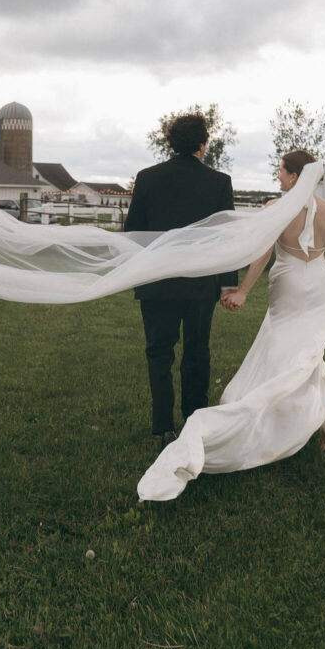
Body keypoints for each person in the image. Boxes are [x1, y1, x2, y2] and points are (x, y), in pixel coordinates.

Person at [137, 149, 325, 503]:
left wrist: (244, 291)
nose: (278, 176)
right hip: (320, 289)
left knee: (288, 353)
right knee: (309, 353)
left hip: (290, 288)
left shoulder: (276, 209)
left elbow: (262, 254)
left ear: (295, 176)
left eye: (281, 171)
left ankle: (281, 417)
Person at [124, 113, 238, 449]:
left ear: (170, 143)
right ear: (203, 144)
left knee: (159, 352)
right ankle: (194, 419)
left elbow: (133, 233)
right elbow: (227, 239)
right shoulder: (220, 182)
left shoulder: (147, 178)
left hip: (157, 279)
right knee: (197, 351)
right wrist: (227, 284)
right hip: (201, 282)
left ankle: (163, 427)